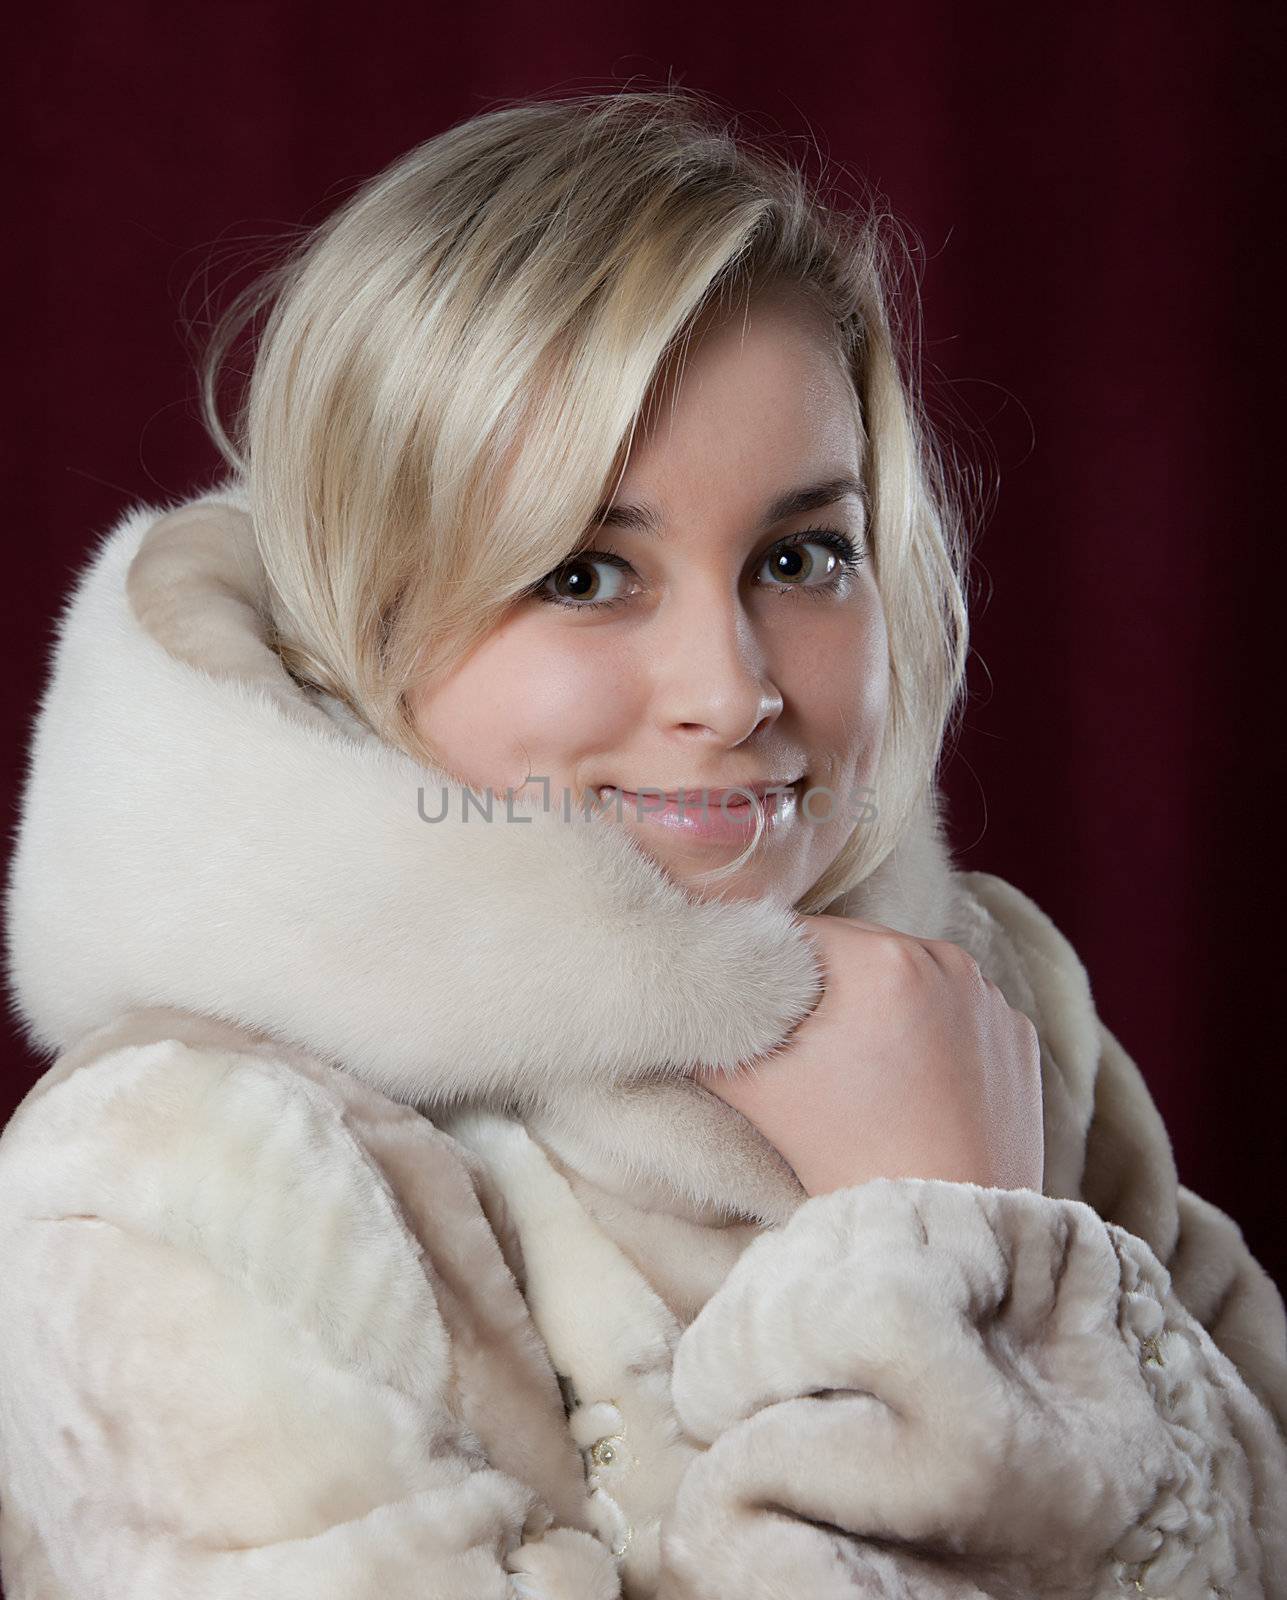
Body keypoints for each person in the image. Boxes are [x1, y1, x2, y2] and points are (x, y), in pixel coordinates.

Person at [0, 87, 1283, 1600]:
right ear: (369, 608)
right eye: (588, 573)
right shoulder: (182, 1166)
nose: (734, 691)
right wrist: (927, 1261)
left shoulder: (997, 1009)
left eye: (802, 557)